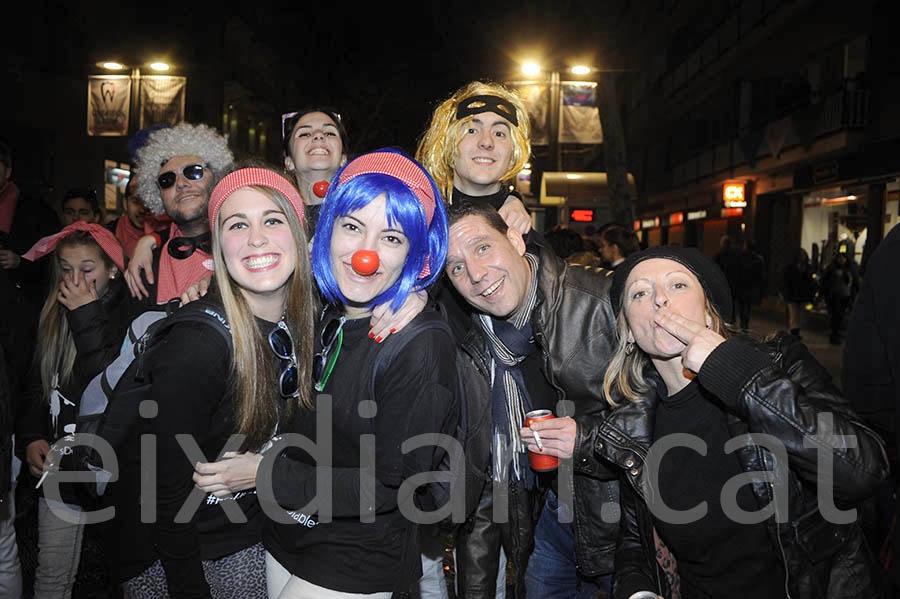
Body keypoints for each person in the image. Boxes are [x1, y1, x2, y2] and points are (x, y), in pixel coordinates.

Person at [193, 150, 459, 598]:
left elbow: (390, 487)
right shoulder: (322, 311)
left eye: (392, 238)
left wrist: (262, 475)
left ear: (415, 252)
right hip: (286, 538)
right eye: (353, 227)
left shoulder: (419, 344)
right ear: (328, 228)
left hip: (353, 561)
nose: (365, 255)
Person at [586, 245, 887, 599]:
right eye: (640, 293)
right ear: (630, 333)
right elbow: (636, 540)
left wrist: (735, 374)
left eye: (678, 286)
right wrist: (639, 592)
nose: (660, 301)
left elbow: (862, 472)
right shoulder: (632, 424)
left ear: (710, 315)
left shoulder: (779, 363)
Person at [112, 164, 316, 598]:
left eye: (273, 220)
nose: (257, 238)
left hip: (253, 535)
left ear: (299, 235)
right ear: (218, 246)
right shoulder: (199, 345)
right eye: (237, 224)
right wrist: (188, 586)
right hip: (189, 557)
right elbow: (162, 487)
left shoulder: (304, 326)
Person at [444, 200, 619, 597]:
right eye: (456, 267)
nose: (475, 274)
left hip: (620, 523)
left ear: (516, 239)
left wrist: (586, 439)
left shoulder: (599, 301)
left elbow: (663, 412)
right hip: (547, 516)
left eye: (483, 247)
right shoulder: (476, 335)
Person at [16, 222, 135, 599]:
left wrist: (86, 315)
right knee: (51, 575)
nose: (75, 279)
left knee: (121, 575)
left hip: (109, 467)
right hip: (60, 465)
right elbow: (37, 383)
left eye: (87, 269)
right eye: (66, 269)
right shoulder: (50, 313)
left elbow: (108, 385)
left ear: (112, 269)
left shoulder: (127, 316)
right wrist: (32, 435)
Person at [124, 123, 234, 304]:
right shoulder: (145, 265)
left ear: (217, 177)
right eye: (167, 180)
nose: (181, 183)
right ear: (158, 194)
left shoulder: (244, 244)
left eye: (193, 172)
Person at [416, 81, 533, 235]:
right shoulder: (418, 222)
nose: (486, 142)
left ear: (513, 151)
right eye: (472, 130)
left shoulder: (526, 239)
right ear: (447, 142)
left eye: (499, 133)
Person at [281, 108, 349, 232]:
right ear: (289, 162)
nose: (318, 135)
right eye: (304, 134)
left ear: (343, 159)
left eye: (329, 133)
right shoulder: (277, 220)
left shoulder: (361, 212)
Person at [821, 247, 859, 344]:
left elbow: (854, 282)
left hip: (846, 296)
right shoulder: (832, 269)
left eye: (843, 258)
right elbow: (825, 282)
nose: (842, 260)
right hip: (835, 296)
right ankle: (834, 335)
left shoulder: (849, 269)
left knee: (841, 315)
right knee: (836, 315)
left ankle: (836, 332)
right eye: (840, 258)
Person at [108, 176, 150, 260]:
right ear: (125, 203)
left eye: (148, 203)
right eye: (135, 202)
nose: (142, 210)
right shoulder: (108, 234)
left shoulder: (167, 235)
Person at [781, 248, 816, 338]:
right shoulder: (791, 268)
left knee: (801, 315)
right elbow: (786, 281)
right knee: (793, 315)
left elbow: (812, 283)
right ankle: (794, 332)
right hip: (793, 295)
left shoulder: (808, 268)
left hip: (803, 296)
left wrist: (811, 295)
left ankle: (796, 331)